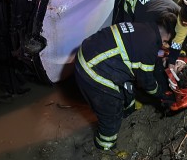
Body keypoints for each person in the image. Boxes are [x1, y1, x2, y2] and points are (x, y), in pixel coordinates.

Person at [74, 15, 176, 150]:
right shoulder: (149, 44)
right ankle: (105, 146)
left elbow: (147, 63)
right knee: (111, 111)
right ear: (168, 36)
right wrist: (162, 94)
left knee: (128, 90)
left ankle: (128, 115)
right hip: (92, 68)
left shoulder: (146, 28)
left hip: (91, 54)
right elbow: (147, 83)